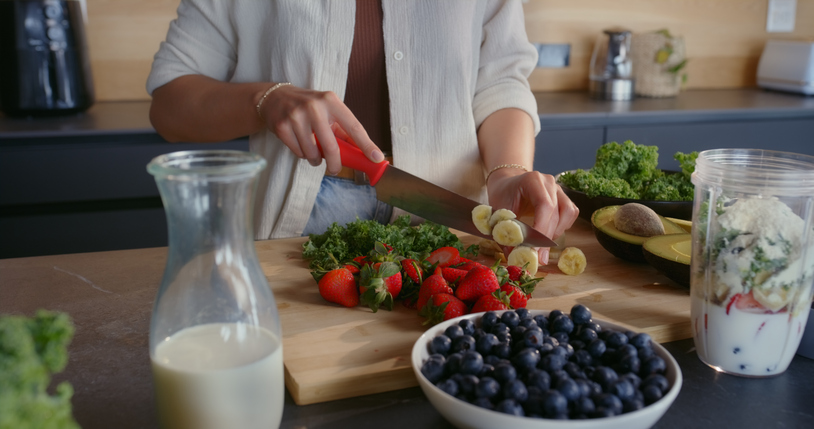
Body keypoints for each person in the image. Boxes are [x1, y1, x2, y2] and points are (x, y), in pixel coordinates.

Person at [146, 0, 578, 265]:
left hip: (453, 217)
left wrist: (506, 172)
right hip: (300, 219)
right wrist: (266, 99)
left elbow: (501, 80)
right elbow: (169, 108)